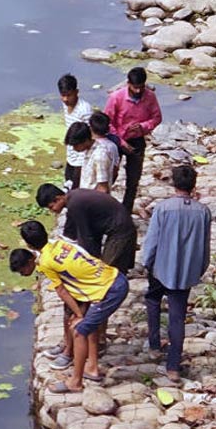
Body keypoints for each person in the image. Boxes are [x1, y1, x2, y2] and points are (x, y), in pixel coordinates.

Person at [12, 221, 128, 392]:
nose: (23, 274)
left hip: (109, 290)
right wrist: (80, 311)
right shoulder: (60, 244)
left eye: (23, 270)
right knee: (90, 326)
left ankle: (75, 382)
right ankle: (93, 368)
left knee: (79, 330)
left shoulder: (45, 262)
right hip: (114, 277)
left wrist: (78, 315)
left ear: (29, 247)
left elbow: (62, 291)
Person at [141, 165, 212, 383]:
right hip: (186, 270)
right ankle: (173, 366)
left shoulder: (163, 208)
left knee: (152, 299)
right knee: (177, 317)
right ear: (194, 185)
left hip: (161, 267)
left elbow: (152, 240)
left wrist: (146, 262)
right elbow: (205, 247)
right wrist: (199, 268)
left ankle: (154, 345)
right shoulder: (203, 212)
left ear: (173, 183)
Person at [35, 183, 136, 274]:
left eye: (51, 207)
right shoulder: (73, 196)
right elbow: (70, 230)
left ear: (58, 199)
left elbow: (86, 236)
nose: (52, 211)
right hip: (119, 223)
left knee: (106, 271)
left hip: (120, 230)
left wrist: (89, 261)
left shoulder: (75, 205)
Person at [104, 66, 162, 215]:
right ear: (128, 84)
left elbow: (157, 118)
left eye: (141, 87)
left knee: (133, 180)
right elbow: (107, 122)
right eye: (135, 87)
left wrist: (143, 127)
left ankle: (125, 212)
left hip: (137, 140)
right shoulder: (116, 98)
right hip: (116, 140)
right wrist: (120, 142)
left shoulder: (150, 97)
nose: (138, 91)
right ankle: (104, 208)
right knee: (109, 176)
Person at [64, 112, 119, 194]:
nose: (74, 149)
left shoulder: (100, 155)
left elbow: (103, 188)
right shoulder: (89, 151)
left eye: (76, 145)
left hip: (94, 201)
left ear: (85, 140)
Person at [57, 73, 93, 190]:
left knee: (77, 186)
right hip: (71, 153)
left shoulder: (84, 109)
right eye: (63, 95)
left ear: (76, 92)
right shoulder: (65, 104)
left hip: (82, 156)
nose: (65, 99)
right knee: (68, 181)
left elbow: (90, 135)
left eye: (69, 95)